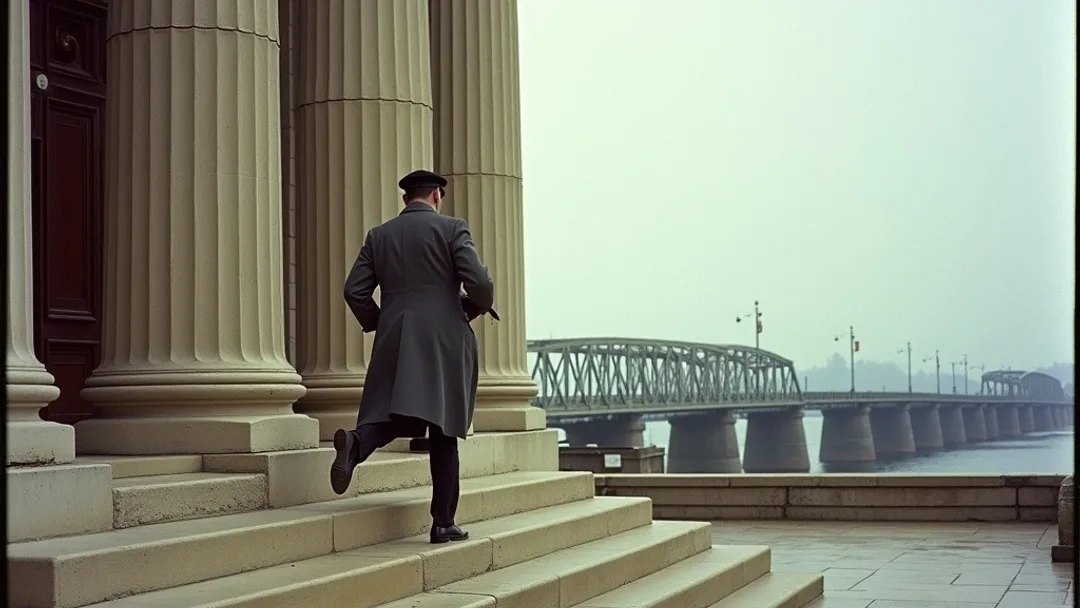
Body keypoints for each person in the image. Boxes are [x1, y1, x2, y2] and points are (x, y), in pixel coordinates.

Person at [331, 169, 496, 544]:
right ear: (437, 195)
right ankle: (443, 522)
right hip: (443, 339)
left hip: (395, 336)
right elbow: (481, 285)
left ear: (406, 199)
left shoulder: (379, 236)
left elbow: (354, 291)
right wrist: (473, 308)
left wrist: (382, 321)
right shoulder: (453, 229)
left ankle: (357, 443)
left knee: (398, 411)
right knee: (444, 428)